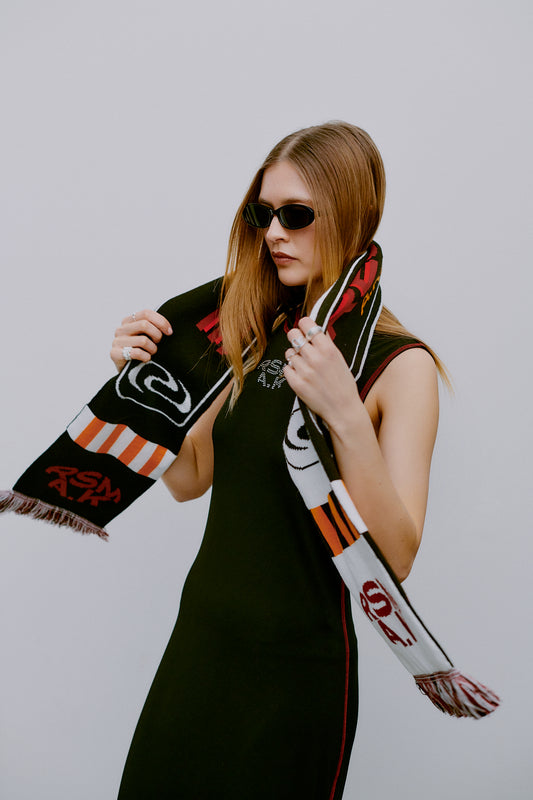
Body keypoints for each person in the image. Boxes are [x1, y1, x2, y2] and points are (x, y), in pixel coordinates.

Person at [110, 122, 442, 799]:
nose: (273, 234)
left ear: (351, 214)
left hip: (297, 670)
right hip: (202, 642)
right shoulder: (257, 328)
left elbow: (397, 557)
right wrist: (138, 387)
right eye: (263, 215)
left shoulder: (400, 365)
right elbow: (190, 479)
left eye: (296, 215)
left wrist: (344, 414)